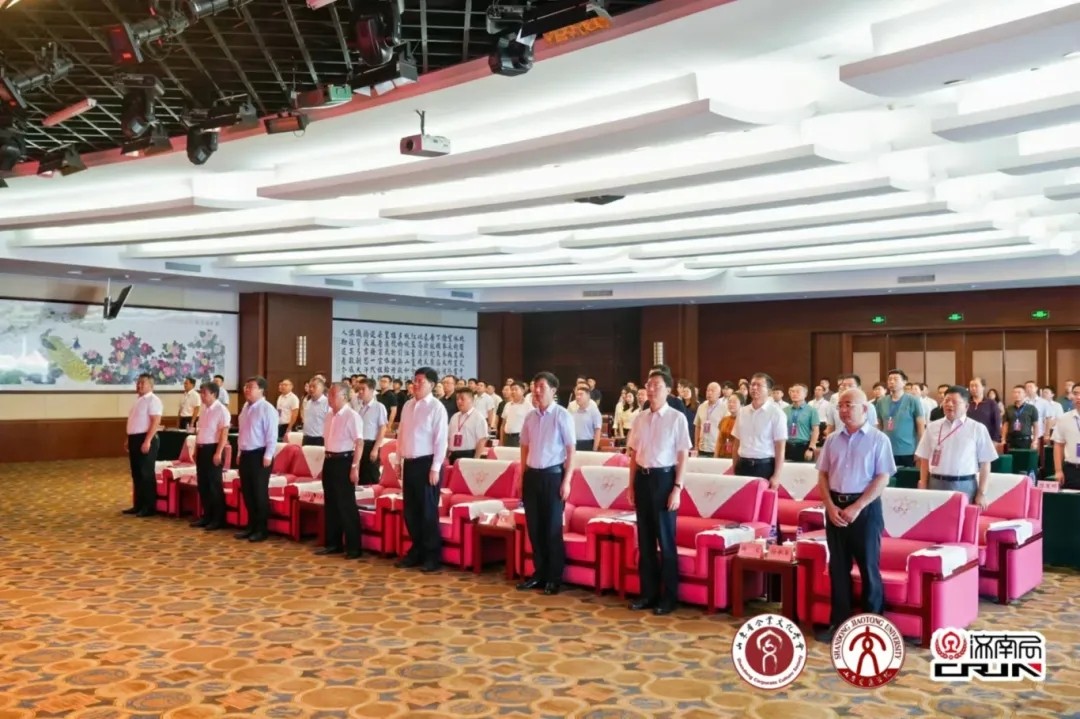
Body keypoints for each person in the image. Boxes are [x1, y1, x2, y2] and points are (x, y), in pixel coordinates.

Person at [815, 388, 895, 641]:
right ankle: (839, 623)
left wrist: (857, 506)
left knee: (869, 567)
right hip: (835, 508)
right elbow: (823, 475)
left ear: (865, 409)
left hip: (865, 509)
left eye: (849, 405)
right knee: (838, 568)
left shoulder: (879, 439)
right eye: (840, 405)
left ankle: (873, 626)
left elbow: (882, 478)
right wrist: (829, 506)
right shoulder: (832, 440)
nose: (843, 410)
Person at [627, 369, 691, 615]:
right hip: (642, 480)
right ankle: (648, 593)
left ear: (668, 390)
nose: (651, 389)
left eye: (656, 385)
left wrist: (677, 488)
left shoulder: (676, 418)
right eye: (648, 384)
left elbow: (683, 455)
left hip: (664, 480)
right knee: (645, 541)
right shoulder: (640, 418)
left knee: (665, 541)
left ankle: (669, 597)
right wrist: (631, 485)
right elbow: (634, 454)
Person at [517, 371, 576, 595]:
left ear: (553, 390)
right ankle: (539, 573)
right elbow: (524, 447)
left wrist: (567, 481)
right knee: (534, 528)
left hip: (553, 477)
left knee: (552, 529)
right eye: (535, 386)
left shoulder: (562, 415)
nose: (537, 390)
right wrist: (522, 476)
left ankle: (554, 577)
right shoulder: (530, 417)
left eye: (542, 387)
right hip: (532, 476)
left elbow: (571, 450)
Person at [394, 367, 449, 573]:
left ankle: (432, 556)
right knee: (411, 511)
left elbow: (441, 440)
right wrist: (398, 461)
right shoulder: (408, 405)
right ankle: (416, 551)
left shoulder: (436, 408)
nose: (416, 384)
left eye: (421, 381)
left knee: (427, 512)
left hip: (427, 465)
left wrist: (435, 467)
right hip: (410, 463)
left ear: (432, 385)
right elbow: (401, 435)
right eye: (415, 381)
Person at [915, 386, 997, 507]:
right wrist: (923, 483)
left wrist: (981, 492)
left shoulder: (977, 428)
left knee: (962, 518)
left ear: (966, 406)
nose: (949, 404)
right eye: (946, 401)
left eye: (954, 402)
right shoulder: (932, 427)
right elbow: (924, 459)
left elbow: (985, 463)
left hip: (964, 484)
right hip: (935, 483)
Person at [316, 383, 366, 559]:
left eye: (332, 395)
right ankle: (333, 543)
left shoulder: (352, 416)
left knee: (346, 505)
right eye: (329, 394)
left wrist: (354, 467)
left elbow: (359, 443)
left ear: (344, 397)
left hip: (344, 461)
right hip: (329, 460)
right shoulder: (329, 415)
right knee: (331, 503)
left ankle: (354, 548)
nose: (329, 398)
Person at [234, 376, 278, 543]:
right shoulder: (245, 408)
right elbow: (242, 434)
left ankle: (261, 529)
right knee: (248, 493)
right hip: (246, 454)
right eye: (246, 386)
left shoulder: (267, 409)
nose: (247, 389)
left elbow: (272, 435)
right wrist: (239, 452)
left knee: (259, 493)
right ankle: (251, 526)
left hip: (260, 455)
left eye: (251, 387)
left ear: (261, 390)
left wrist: (268, 455)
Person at [731, 373, 786, 487]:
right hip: (742, 465)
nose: (754, 388)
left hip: (764, 466)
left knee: (761, 498)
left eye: (759, 385)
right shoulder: (742, 412)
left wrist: (777, 475)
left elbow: (780, 446)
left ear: (769, 391)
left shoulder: (776, 413)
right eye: (752, 384)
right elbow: (736, 442)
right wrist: (735, 467)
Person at [191, 381, 230, 530]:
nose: (201, 396)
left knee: (214, 485)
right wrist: (196, 449)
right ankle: (206, 516)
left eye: (204, 393)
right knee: (203, 484)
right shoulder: (204, 409)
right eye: (200, 393)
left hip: (214, 449)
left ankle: (218, 519)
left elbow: (224, 434)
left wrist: (218, 452)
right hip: (202, 448)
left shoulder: (221, 410)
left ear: (214, 394)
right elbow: (200, 431)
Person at [123, 373, 163, 517]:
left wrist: (147, 440)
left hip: (146, 438)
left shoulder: (153, 400)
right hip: (135, 438)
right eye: (138, 382)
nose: (139, 385)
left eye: (142, 383)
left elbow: (155, 421)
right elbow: (135, 422)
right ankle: (138, 505)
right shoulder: (138, 400)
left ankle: (149, 507)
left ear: (151, 385)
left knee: (146, 473)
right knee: (137, 473)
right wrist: (129, 438)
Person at [875, 369, 925, 467]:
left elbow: (920, 428)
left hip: (908, 450)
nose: (892, 382)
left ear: (904, 382)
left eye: (896, 379)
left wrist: (920, 450)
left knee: (906, 476)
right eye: (890, 379)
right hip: (887, 449)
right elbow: (879, 426)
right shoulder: (881, 401)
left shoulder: (913, 400)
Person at [353, 378, 389, 486]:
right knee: (361, 476)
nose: (360, 392)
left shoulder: (379, 407)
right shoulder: (359, 407)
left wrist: (375, 449)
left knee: (371, 476)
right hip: (359, 444)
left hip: (371, 445)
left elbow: (383, 428)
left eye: (363, 389)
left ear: (372, 390)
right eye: (359, 389)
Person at [447, 388, 490, 465]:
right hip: (453, 454)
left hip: (468, 454)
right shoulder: (454, 416)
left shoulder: (478, 417)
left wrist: (476, 460)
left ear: (472, 400)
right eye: (457, 399)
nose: (459, 401)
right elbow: (448, 436)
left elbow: (482, 440)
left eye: (462, 399)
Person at [1052, 384, 1080, 489]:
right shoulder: (1064, 418)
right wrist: (1058, 470)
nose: (1078, 397)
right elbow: (1058, 445)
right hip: (1072, 469)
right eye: (1075, 394)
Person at [783, 383, 819, 463]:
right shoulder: (785, 410)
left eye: (798, 392)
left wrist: (811, 448)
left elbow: (815, 430)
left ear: (805, 394)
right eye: (792, 391)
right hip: (787, 446)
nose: (794, 394)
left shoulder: (811, 410)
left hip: (804, 446)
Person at [967, 377, 1002, 450]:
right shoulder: (966, 402)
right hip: (968, 440)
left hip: (986, 440)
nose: (973, 388)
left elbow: (997, 423)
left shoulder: (991, 403)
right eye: (971, 386)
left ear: (983, 387)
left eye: (976, 386)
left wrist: (995, 440)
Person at [1002, 385, 1039, 451]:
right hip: (1011, 440)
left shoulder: (1031, 408)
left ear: (1025, 394)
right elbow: (1006, 425)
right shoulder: (1009, 409)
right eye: (1014, 392)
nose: (1016, 394)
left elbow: (1035, 425)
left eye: (1019, 392)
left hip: (1025, 440)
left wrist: (1035, 440)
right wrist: (1003, 439)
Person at [695, 382, 724, 456]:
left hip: (716, 449)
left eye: (712, 391)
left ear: (719, 394)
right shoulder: (701, 406)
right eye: (708, 390)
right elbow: (697, 426)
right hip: (702, 448)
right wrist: (696, 446)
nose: (709, 393)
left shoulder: (725, 408)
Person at [571, 384, 603, 452]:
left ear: (588, 396)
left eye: (581, 394)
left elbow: (597, 432)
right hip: (574, 444)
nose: (578, 397)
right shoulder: (574, 412)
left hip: (588, 444)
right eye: (577, 395)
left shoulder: (594, 412)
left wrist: (594, 450)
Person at [500, 381, 530, 448]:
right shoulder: (507, 405)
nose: (513, 392)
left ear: (523, 391)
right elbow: (503, 425)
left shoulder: (528, 406)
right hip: (507, 437)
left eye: (516, 389)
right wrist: (501, 440)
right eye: (512, 389)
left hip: (520, 438)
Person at [301, 378, 329, 447]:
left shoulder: (327, 403)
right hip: (306, 438)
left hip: (320, 439)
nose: (311, 389)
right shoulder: (308, 403)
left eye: (314, 387)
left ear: (322, 388)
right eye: (310, 386)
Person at [714, 394, 741, 459]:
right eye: (729, 402)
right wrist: (715, 455)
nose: (731, 404)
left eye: (734, 402)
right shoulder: (724, 419)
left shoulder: (744, 421)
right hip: (722, 455)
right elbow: (719, 440)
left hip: (737, 457)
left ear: (741, 404)